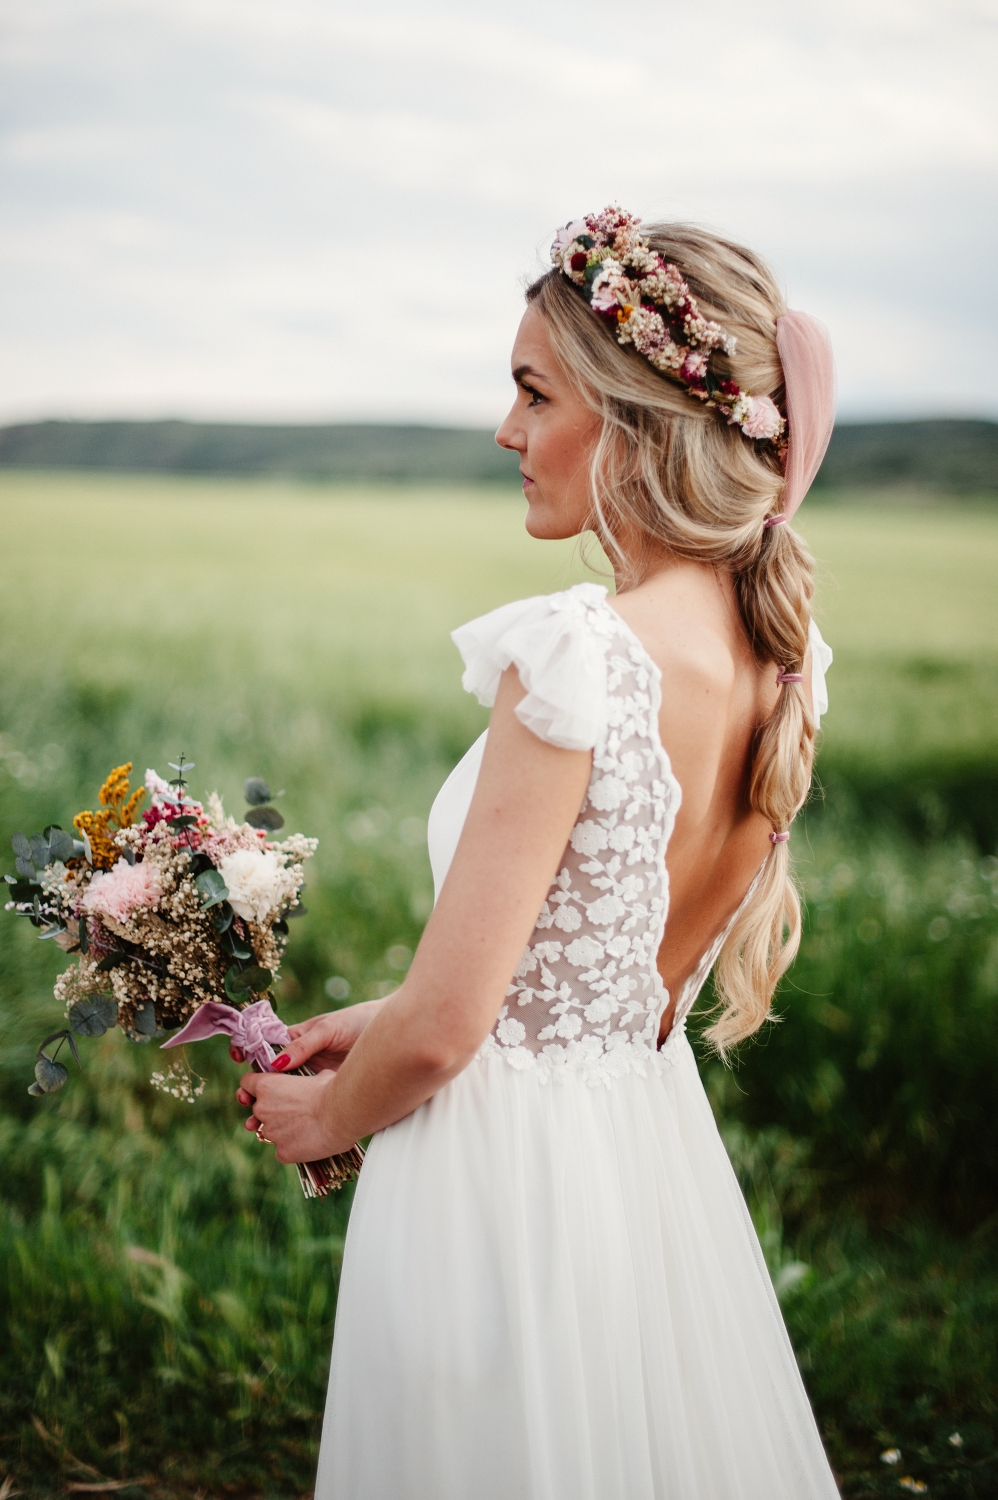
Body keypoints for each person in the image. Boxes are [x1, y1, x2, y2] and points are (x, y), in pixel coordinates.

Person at [236, 206, 841, 1498]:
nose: (505, 432)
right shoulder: (775, 657)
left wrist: (328, 1114)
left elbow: (457, 1034)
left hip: (499, 1183)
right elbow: (581, 978)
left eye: (530, 392)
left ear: (634, 415)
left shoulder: (580, 653)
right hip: (638, 1158)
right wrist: (380, 1016)